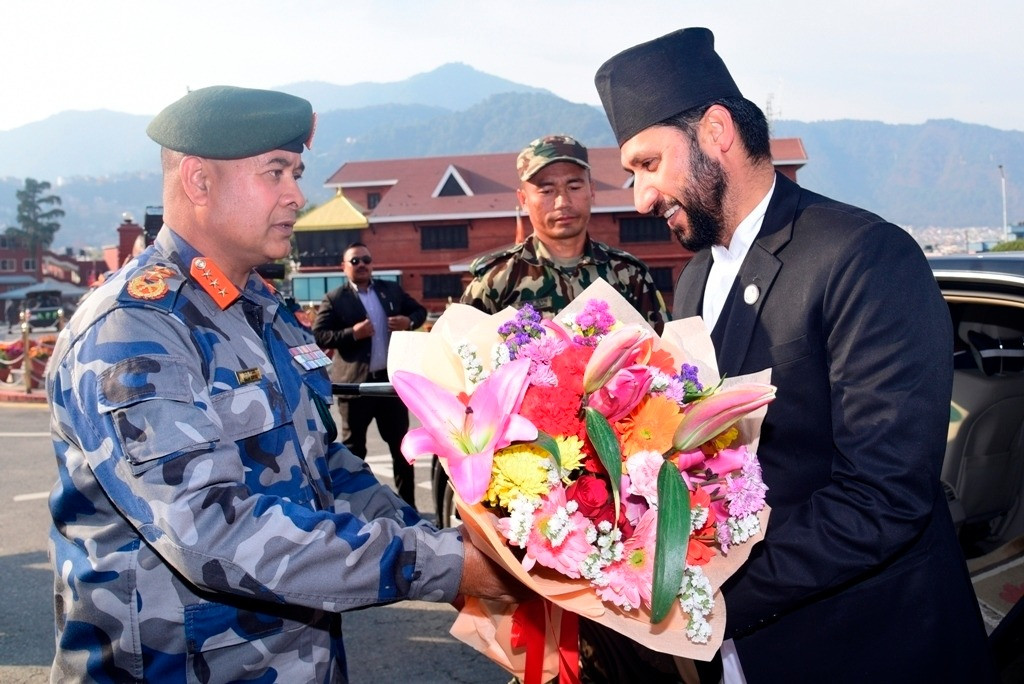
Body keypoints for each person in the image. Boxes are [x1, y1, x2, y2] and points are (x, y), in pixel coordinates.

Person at [44, 85, 526, 682]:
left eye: (296, 172)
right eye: (275, 173)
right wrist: (445, 567)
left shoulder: (258, 309)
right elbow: (209, 530)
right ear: (199, 181)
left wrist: (447, 546)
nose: (297, 195)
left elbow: (325, 468)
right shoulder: (134, 327)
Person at [587, 28, 996, 683]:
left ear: (715, 132)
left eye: (648, 164)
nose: (639, 198)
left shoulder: (861, 257)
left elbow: (882, 499)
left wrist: (696, 597)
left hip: (867, 648)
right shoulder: (693, 280)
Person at [460, 134, 667, 331]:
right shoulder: (496, 281)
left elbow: (665, 354)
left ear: (592, 190)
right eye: (547, 191)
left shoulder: (629, 275)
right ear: (523, 200)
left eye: (574, 187)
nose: (563, 202)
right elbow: (456, 358)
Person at [312, 242, 426, 508]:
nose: (362, 265)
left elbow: (418, 311)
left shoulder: (390, 290)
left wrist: (409, 322)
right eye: (355, 261)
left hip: (390, 385)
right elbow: (319, 335)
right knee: (353, 453)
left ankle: (410, 509)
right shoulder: (335, 299)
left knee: (402, 450)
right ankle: (355, 510)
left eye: (366, 259)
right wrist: (353, 333)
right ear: (344, 267)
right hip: (355, 387)